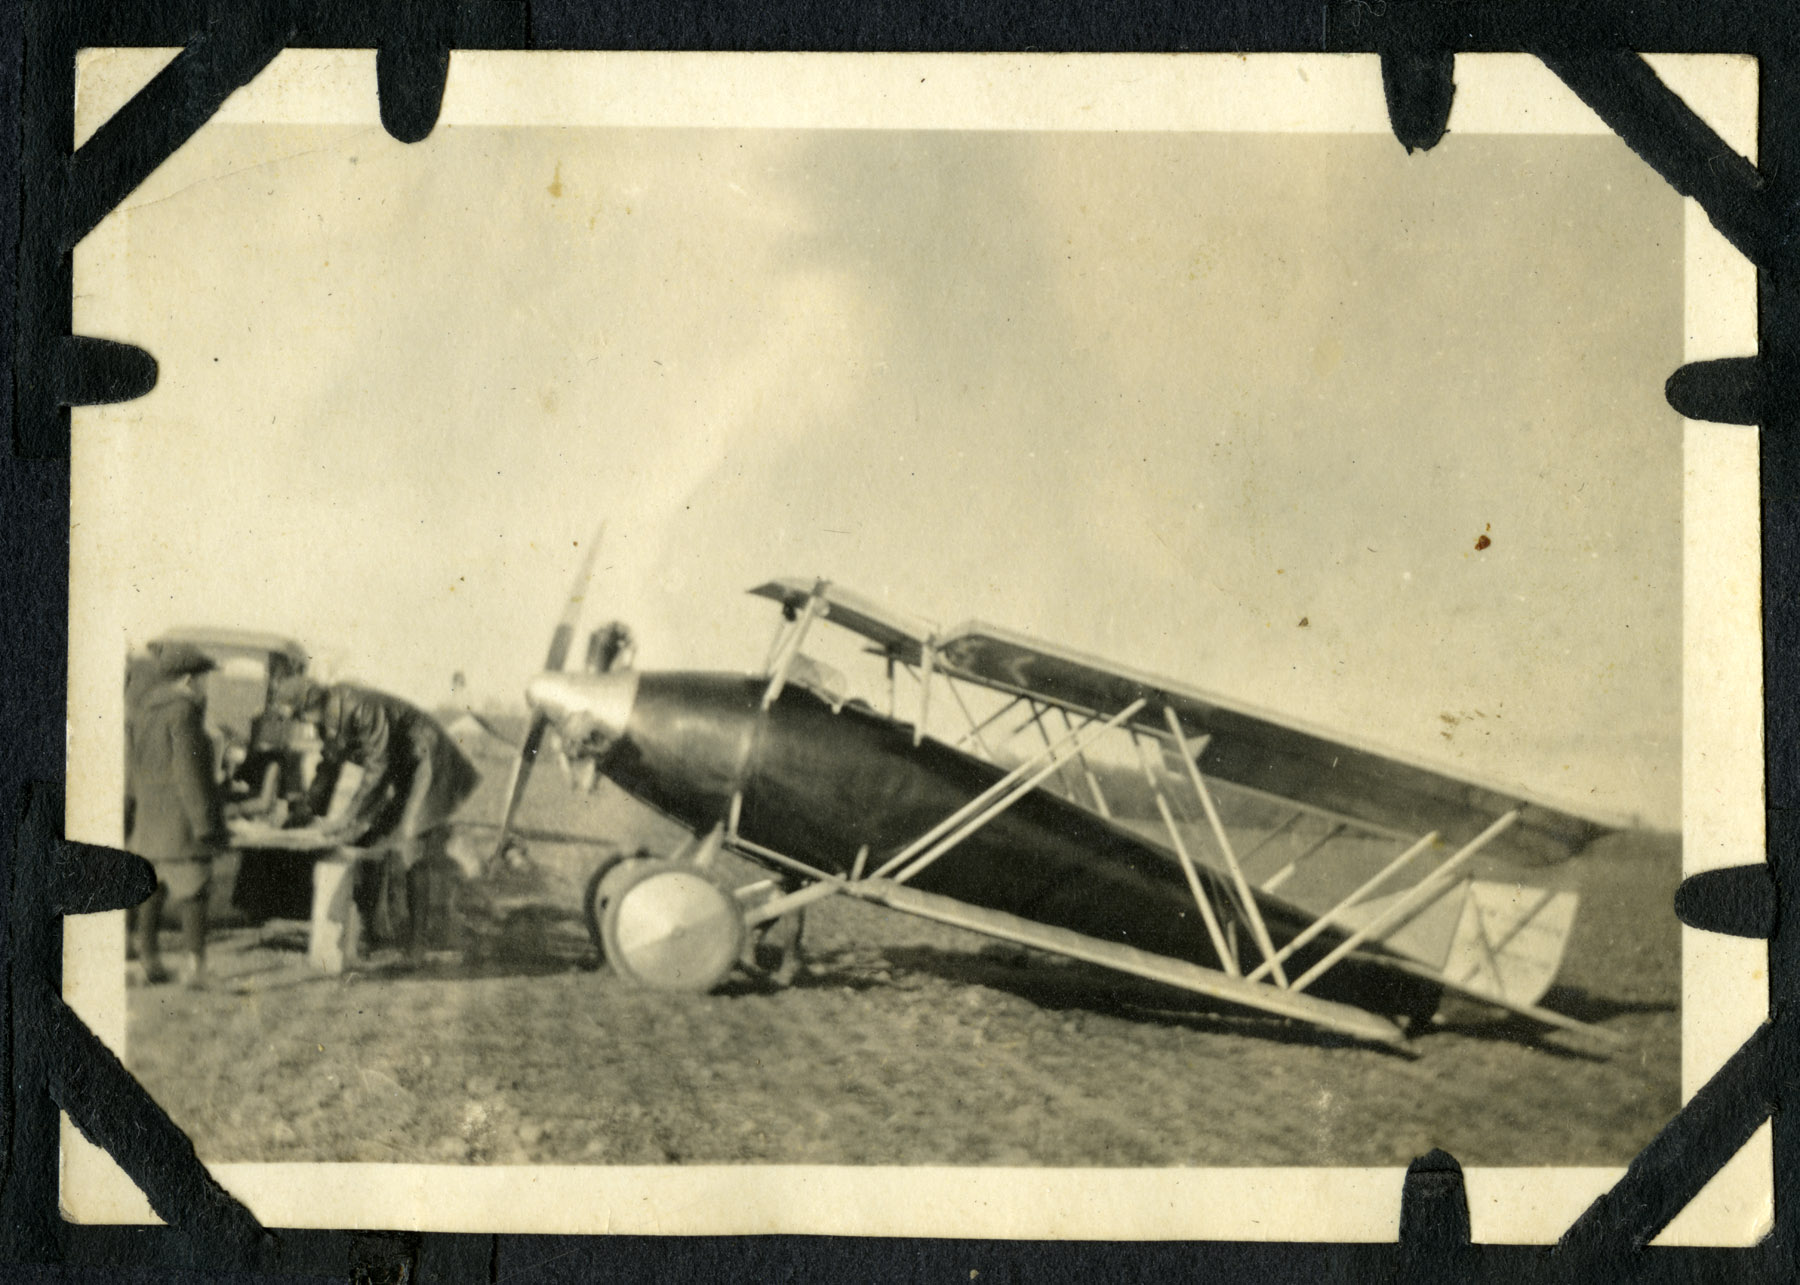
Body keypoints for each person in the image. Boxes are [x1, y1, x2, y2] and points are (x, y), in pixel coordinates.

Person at [273, 677, 481, 961]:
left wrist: (346, 819)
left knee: (410, 842)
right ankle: (371, 934)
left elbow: (377, 768)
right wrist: (308, 810)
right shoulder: (326, 717)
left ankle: (417, 945)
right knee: (365, 841)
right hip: (400, 769)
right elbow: (329, 764)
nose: (301, 722)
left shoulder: (361, 707)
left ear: (309, 703)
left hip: (429, 764)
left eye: (299, 714)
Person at [124, 642, 227, 987]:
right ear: (188, 679)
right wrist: (206, 824)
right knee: (194, 890)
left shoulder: (142, 711)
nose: (205, 685)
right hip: (181, 822)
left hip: (149, 819)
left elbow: (132, 770)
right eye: (203, 678)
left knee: (152, 890)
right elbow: (190, 773)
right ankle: (196, 969)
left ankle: (148, 963)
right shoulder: (184, 712)